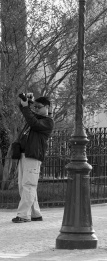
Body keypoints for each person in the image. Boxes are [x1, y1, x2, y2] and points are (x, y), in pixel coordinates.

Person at [12, 95, 54, 223]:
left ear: (47, 107)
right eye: (34, 107)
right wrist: (26, 102)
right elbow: (26, 113)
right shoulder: (36, 117)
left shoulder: (48, 122)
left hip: (33, 156)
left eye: (38, 107)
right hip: (24, 155)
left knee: (28, 185)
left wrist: (27, 108)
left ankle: (23, 215)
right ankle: (36, 214)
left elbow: (33, 122)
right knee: (24, 185)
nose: (35, 109)